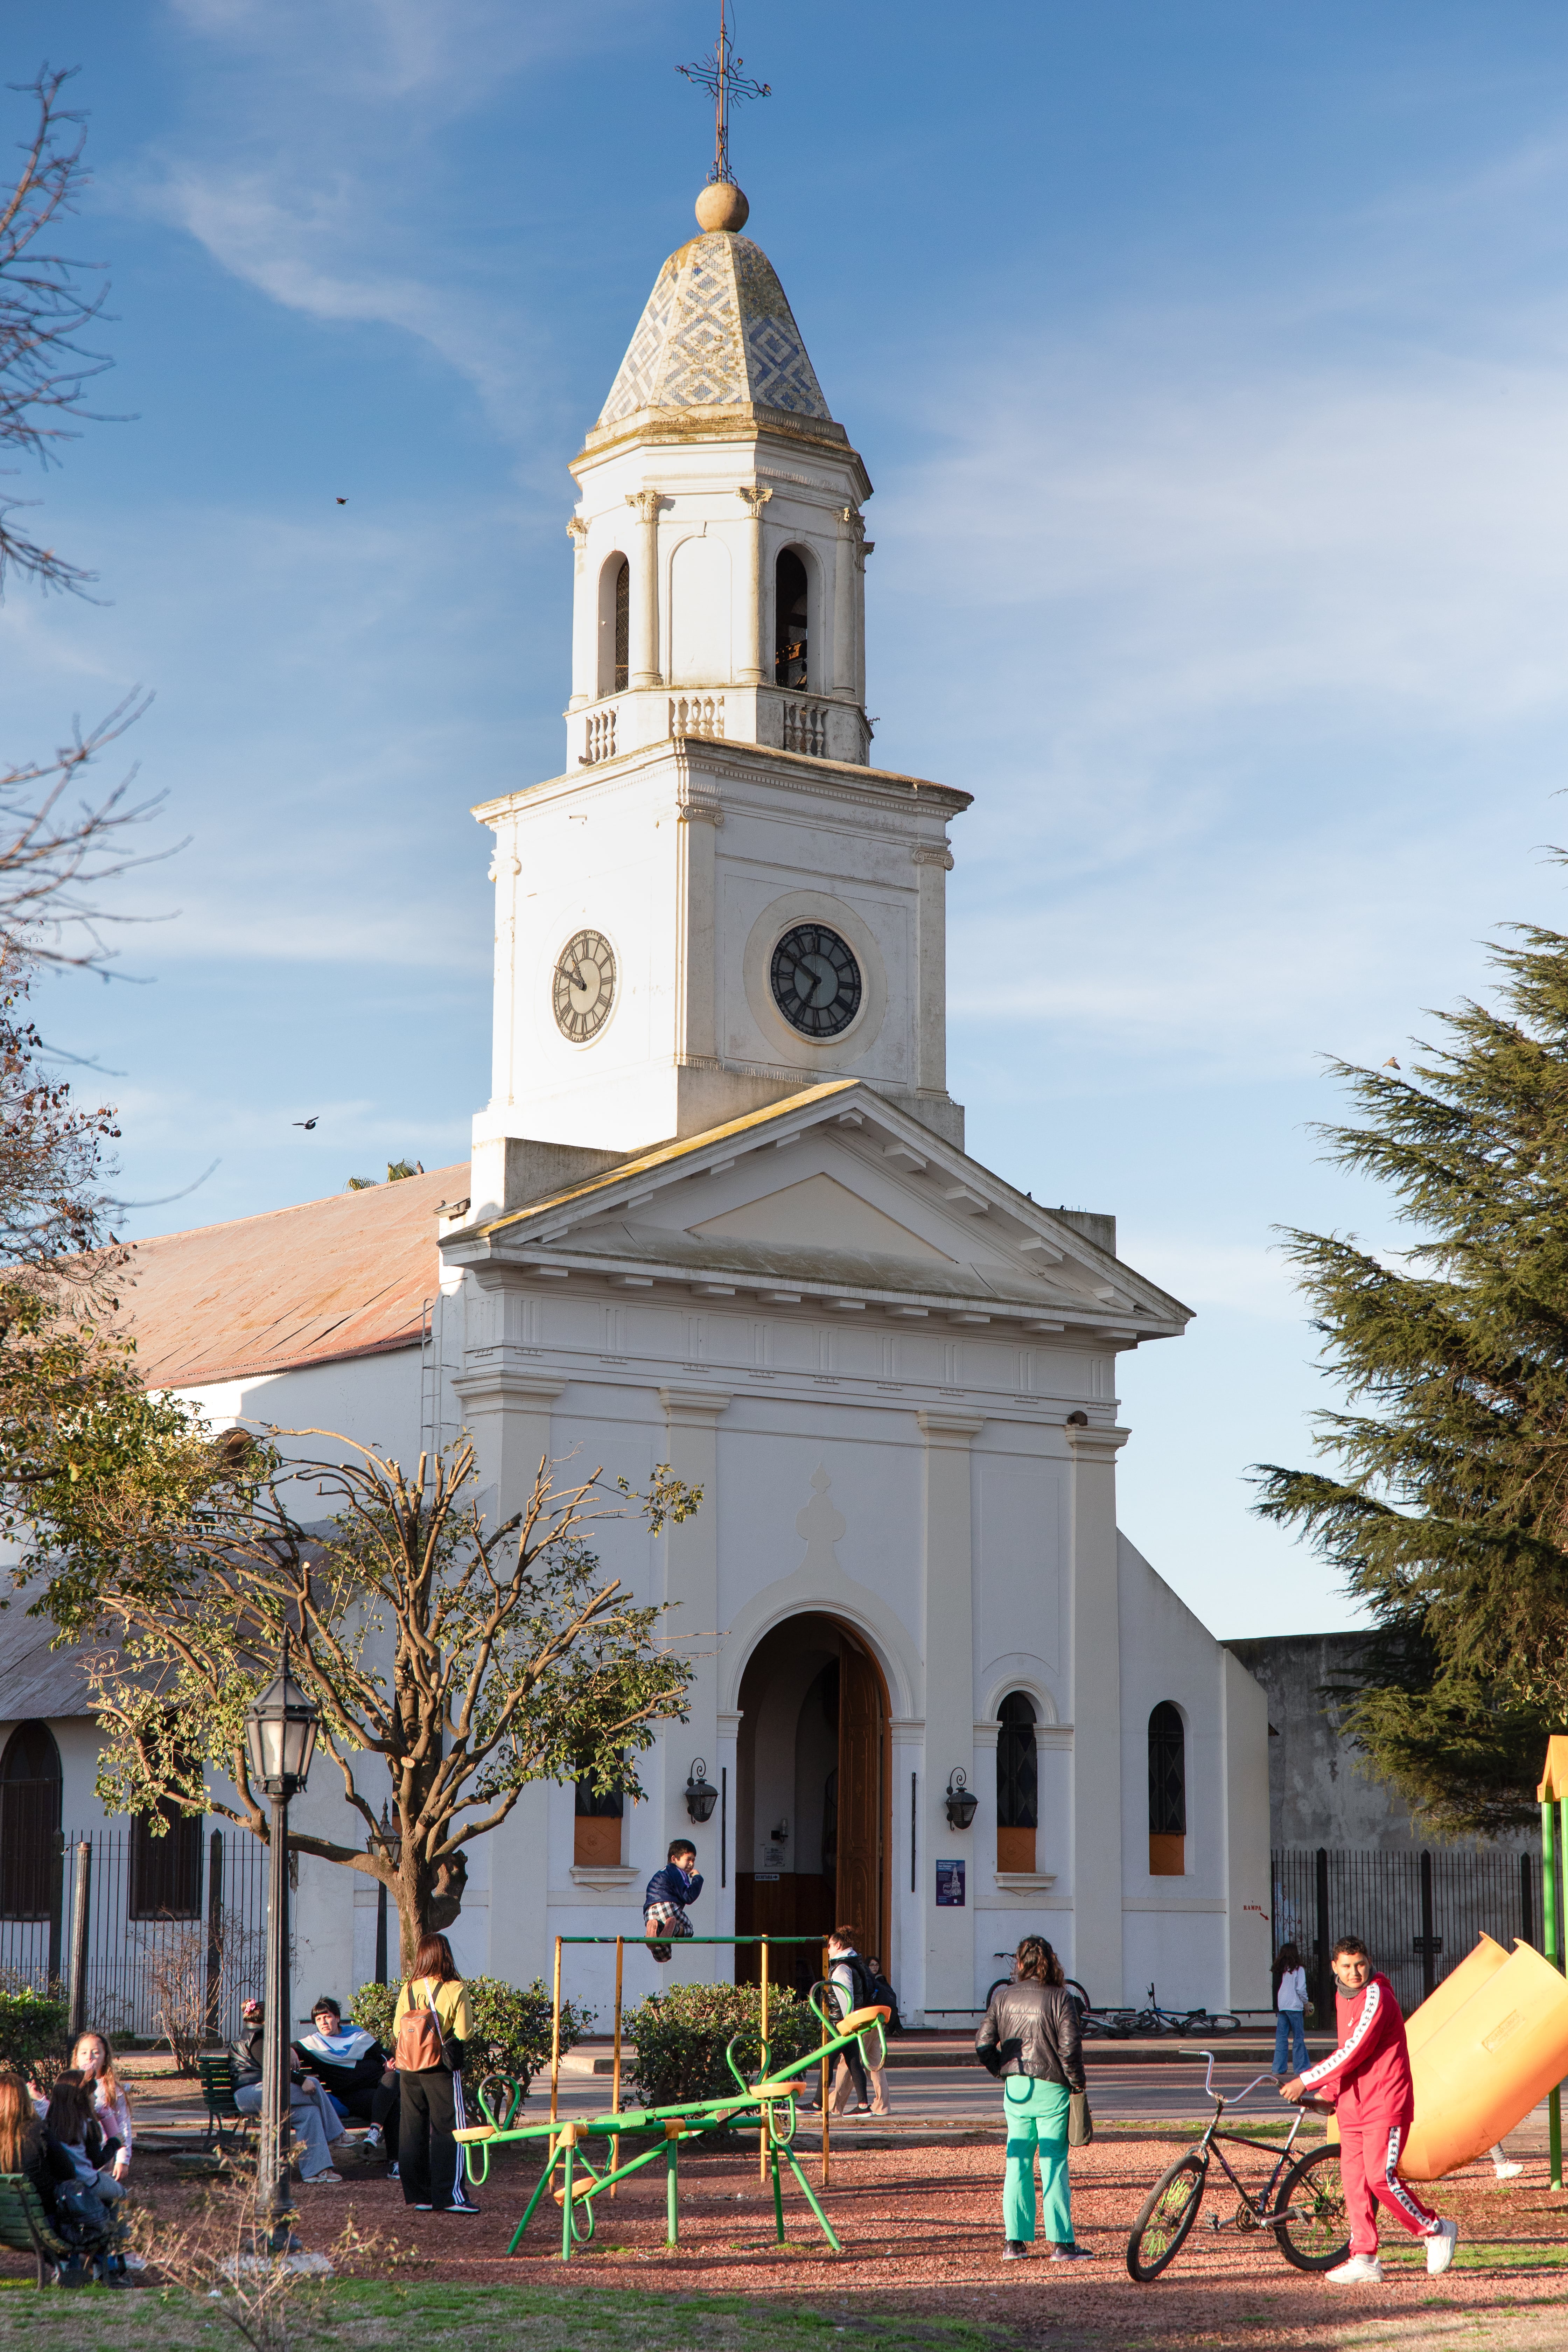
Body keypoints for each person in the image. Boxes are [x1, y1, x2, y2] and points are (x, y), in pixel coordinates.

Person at [1281, 1934, 1458, 2285]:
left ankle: (1435, 2228)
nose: (1354, 1973)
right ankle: (1364, 2257)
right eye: (1346, 1966)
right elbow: (1346, 2051)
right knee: (1354, 2182)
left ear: (1369, 1961)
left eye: (1360, 1964)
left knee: (1380, 2178)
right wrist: (1331, 2092)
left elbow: (1355, 2050)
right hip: (1353, 2107)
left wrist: (1307, 2080)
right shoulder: (1341, 1995)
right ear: (1334, 1968)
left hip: (1385, 2103)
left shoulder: (1378, 1996)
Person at [975, 1934, 1093, 2263]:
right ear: (1051, 1962)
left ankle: (1015, 2242)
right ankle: (1062, 2243)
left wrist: (1003, 2069)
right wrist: (1078, 2085)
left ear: (1020, 1962)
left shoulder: (1003, 1997)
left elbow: (983, 2044)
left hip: (1017, 2088)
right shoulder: (1061, 1998)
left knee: (1018, 2162)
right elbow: (1070, 2049)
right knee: (1054, 2163)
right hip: (1052, 2087)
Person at [393, 1930, 478, 2213]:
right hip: (440, 2065)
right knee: (449, 2129)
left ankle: (422, 2195)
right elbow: (465, 2031)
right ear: (446, 1954)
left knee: (412, 2128)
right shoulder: (455, 1988)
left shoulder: (408, 1988)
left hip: (409, 2067)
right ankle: (451, 2195)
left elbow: (397, 2030)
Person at [0, 2075, 114, 2284]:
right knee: (105, 2204)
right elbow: (68, 2173)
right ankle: (111, 2270)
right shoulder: (37, 2132)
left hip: (7, 2227)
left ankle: (66, 2267)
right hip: (46, 2225)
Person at [229, 1997, 345, 2183]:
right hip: (253, 2093)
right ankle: (337, 2135)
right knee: (313, 2085)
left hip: (262, 2092)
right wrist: (301, 2081)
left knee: (310, 2113)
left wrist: (288, 2048)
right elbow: (274, 2068)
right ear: (267, 2021)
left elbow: (276, 2059)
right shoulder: (258, 2039)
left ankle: (317, 2171)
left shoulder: (258, 2036)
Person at [293, 1995, 400, 2172]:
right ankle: (395, 2162)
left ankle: (375, 2131)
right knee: (393, 2104)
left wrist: (389, 2062)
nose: (323, 2022)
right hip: (353, 2096)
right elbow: (287, 2048)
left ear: (337, 2018)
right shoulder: (313, 2044)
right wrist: (290, 2051)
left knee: (392, 2078)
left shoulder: (357, 2034)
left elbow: (382, 2053)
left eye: (327, 2017)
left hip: (380, 2085)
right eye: (318, 2019)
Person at [643, 1839, 702, 1962]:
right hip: (668, 1907)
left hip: (649, 1913)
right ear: (674, 1859)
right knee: (689, 1929)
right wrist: (698, 1878)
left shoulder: (661, 1873)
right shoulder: (679, 1872)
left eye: (694, 1861)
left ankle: (652, 1927)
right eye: (688, 1859)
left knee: (663, 1956)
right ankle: (675, 1929)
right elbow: (689, 1896)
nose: (691, 1864)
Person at [1272, 1941, 1309, 2079]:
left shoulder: (1279, 1969)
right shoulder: (1299, 1969)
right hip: (1295, 2006)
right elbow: (1300, 1989)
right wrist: (1306, 2004)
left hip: (1282, 2006)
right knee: (1298, 2038)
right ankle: (1301, 2067)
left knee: (1281, 2038)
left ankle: (1278, 2068)